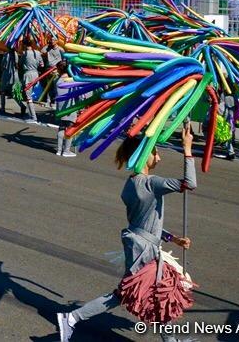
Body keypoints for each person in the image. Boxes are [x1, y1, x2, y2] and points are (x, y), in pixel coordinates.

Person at [57, 124, 196, 342]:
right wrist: (187, 149)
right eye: (155, 152)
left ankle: (73, 318)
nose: (159, 157)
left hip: (140, 244)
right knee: (147, 292)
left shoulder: (130, 184)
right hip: (144, 250)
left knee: (153, 293)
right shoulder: (151, 183)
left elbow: (144, 223)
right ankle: (72, 318)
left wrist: (173, 238)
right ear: (143, 155)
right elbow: (190, 183)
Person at [20, 39, 41, 123]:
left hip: (28, 75)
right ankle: (31, 114)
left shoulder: (25, 53)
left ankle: (33, 117)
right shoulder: (38, 53)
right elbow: (42, 64)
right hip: (36, 74)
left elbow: (20, 63)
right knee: (30, 96)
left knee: (28, 97)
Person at [0, 44, 23, 115]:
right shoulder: (12, 54)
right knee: (11, 92)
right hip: (12, 74)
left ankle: (3, 108)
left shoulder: (9, 54)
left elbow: (3, 65)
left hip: (9, 74)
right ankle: (21, 106)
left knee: (6, 91)